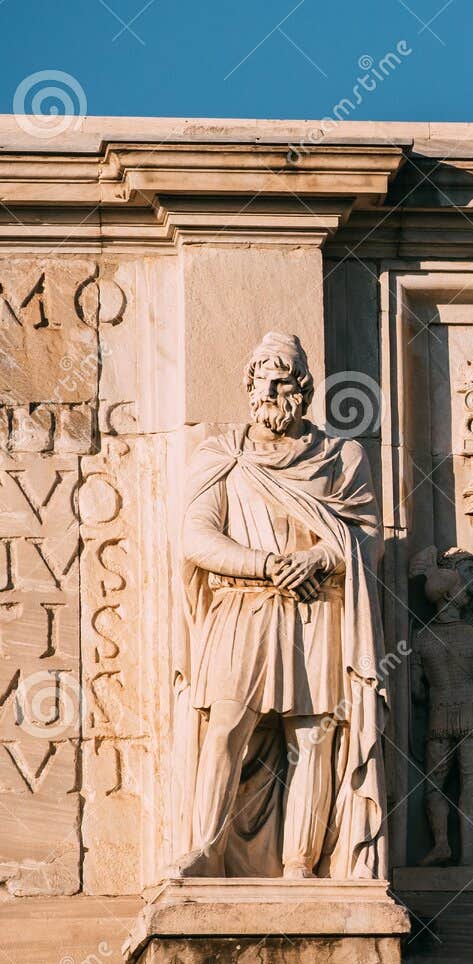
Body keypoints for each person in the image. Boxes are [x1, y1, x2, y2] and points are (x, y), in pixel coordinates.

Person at [173, 332, 386, 879]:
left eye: (282, 379)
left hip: (315, 609)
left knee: (314, 735)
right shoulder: (224, 454)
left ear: (303, 389)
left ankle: (300, 865)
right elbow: (196, 538)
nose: (268, 389)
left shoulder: (342, 456)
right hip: (243, 606)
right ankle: (207, 848)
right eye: (260, 379)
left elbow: (366, 537)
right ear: (248, 386)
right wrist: (265, 563)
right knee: (225, 727)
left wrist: (318, 557)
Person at [411, 561, 473, 867]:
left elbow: (417, 692)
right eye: (460, 586)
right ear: (448, 595)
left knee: (435, 783)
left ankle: (442, 844)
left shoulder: (421, 638)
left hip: (438, 714)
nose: (466, 590)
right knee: (471, 785)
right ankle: (468, 853)